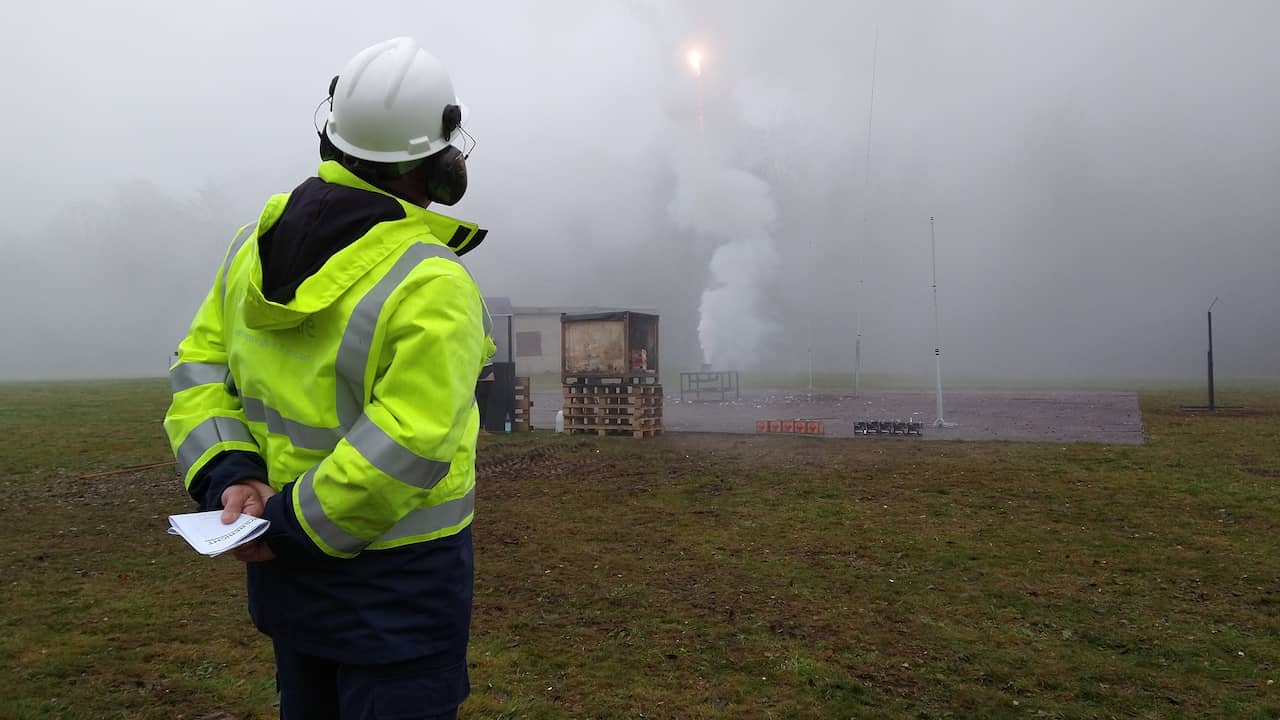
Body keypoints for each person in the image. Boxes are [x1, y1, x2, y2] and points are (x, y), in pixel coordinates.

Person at [163, 37, 494, 719]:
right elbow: (410, 443)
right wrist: (285, 527)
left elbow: (198, 372)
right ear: (440, 167)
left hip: (289, 587)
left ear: (331, 135)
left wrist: (233, 478)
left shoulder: (252, 244)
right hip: (400, 601)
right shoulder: (431, 282)